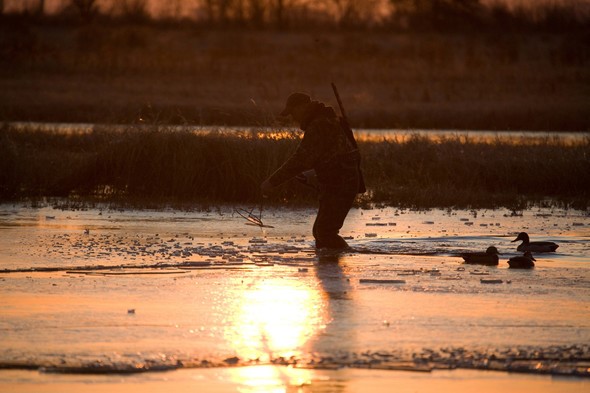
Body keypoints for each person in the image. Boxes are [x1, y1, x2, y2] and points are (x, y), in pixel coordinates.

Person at [261, 92, 364, 250]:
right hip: (336, 182)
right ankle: (327, 269)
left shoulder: (319, 124)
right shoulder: (325, 119)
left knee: (325, 232)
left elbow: (300, 160)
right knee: (320, 232)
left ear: (303, 107)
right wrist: (314, 174)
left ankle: (348, 257)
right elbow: (330, 155)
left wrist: (271, 182)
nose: (293, 118)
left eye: (293, 112)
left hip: (341, 183)